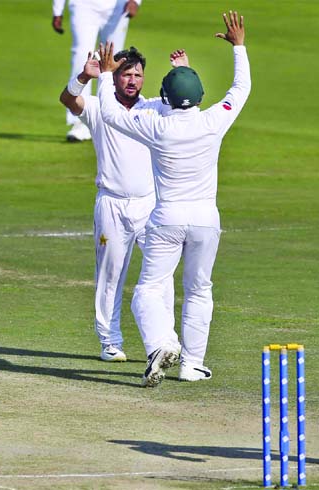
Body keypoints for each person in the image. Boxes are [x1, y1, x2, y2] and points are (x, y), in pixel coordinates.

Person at [96, 10, 251, 387]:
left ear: (164, 98)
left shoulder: (156, 126)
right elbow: (239, 90)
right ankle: (192, 363)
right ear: (198, 96)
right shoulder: (214, 120)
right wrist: (239, 48)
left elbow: (111, 113)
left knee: (147, 291)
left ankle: (162, 343)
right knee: (199, 290)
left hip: (165, 219)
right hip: (205, 221)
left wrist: (104, 74)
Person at [59, 47, 186, 362]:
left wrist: (183, 71)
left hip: (149, 206)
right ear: (113, 77)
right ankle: (110, 341)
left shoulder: (155, 108)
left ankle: (165, 341)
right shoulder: (98, 106)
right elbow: (68, 100)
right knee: (110, 273)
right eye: (126, 74)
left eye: (138, 75)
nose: (132, 80)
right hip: (111, 205)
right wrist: (84, 76)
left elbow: (185, 105)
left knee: (160, 275)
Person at [52, 0, 142, 142]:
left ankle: (114, 118)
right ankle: (79, 121)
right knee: (82, 56)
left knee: (114, 60)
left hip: (117, 7)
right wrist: (58, 10)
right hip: (83, 5)